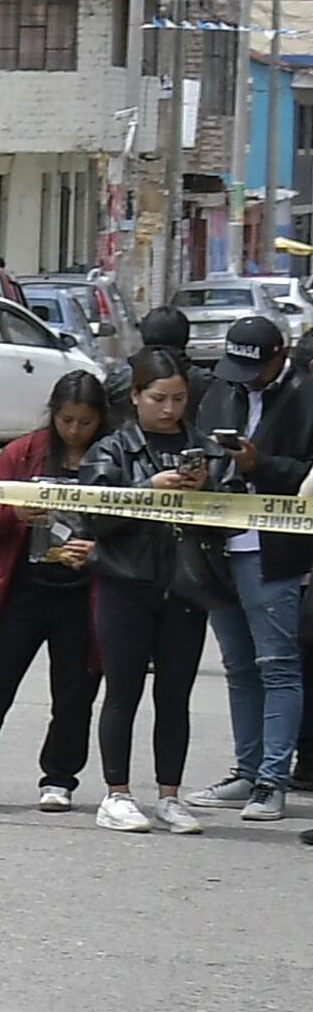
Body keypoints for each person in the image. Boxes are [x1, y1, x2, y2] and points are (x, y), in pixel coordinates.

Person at [0, 369, 111, 812]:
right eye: (67, 420)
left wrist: (97, 546)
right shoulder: (24, 453)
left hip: (85, 593)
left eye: (85, 422)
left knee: (75, 692)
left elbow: (133, 522)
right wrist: (14, 512)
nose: (75, 430)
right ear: (53, 415)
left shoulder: (112, 455)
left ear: (101, 420)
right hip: (21, 589)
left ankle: (59, 778)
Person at [84, 351, 219, 832]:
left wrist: (208, 486)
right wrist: (147, 489)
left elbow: (234, 510)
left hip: (185, 585)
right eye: (158, 398)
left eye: (178, 399)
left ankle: (170, 794)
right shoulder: (112, 449)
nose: (168, 409)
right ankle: (116, 793)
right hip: (125, 582)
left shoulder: (202, 446)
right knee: (122, 691)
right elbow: (95, 517)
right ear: (135, 396)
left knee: (175, 694)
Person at [183, 314, 308, 820]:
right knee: (238, 666)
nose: (246, 380)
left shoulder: (305, 397)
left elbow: (306, 473)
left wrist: (265, 467)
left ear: (281, 356)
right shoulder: (222, 391)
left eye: (255, 370)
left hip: (274, 549)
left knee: (277, 664)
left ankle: (273, 780)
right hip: (221, 542)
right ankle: (246, 769)